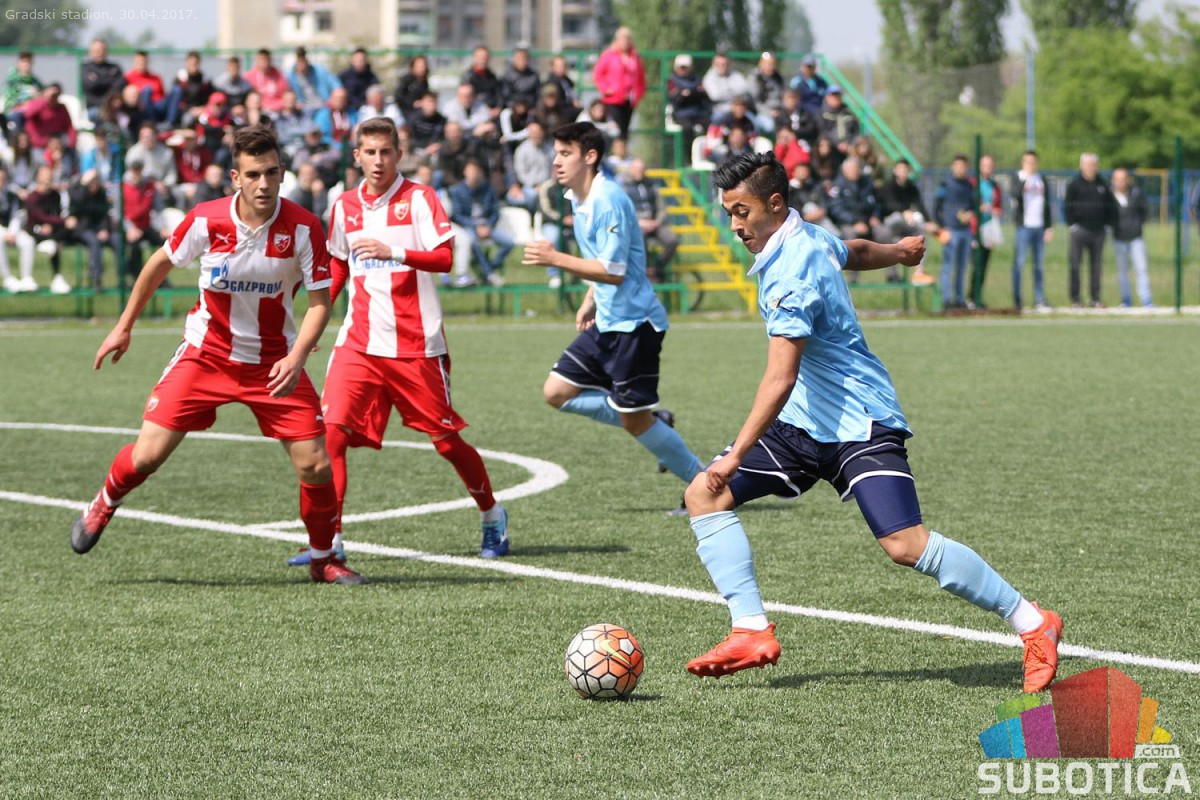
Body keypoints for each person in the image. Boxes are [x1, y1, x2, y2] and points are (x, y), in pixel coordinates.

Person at [684, 151, 1062, 694]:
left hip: (859, 418)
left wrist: (737, 453)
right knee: (705, 495)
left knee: (906, 545)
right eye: (728, 214)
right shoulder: (803, 236)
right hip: (803, 423)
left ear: (775, 203)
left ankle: (1033, 621)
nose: (734, 225)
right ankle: (749, 628)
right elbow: (853, 250)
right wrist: (899, 254)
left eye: (741, 212)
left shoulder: (791, 271)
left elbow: (780, 377)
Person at [69, 125, 365, 586]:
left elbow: (320, 303)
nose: (263, 184)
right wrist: (124, 325)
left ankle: (323, 558)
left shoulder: (304, 227)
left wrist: (297, 356)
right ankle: (105, 502)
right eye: (253, 175)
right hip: (205, 355)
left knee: (315, 464)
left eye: (271, 173)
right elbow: (158, 264)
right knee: (146, 457)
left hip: (273, 363)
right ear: (235, 177)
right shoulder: (206, 220)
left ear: (282, 172)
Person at [296, 117, 509, 565]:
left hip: (416, 345)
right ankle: (330, 540)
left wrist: (392, 251)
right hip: (358, 343)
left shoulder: (420, 199)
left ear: (399, 154)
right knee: (330, 436)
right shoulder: (343, 205)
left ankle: (492, 513)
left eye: (386, 152)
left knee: (446, 442)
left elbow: (445, 258)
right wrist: (317, 319)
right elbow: (338, 265)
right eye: (370, 152)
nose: (378, 160)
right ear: (357, 156)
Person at [522, 122, 704, 494]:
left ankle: (706, 487)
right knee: (556, 392)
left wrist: (555, 258)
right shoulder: (580, 198)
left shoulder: (608, 200)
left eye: (566, 153)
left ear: (590, 157)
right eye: (556, 153)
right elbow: (602, 260)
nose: (556, 162)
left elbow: (614, 271)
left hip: (635, 325)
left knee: (635, 423)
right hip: (608, 321)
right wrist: (590, 299)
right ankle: (650, 417)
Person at [449, 158, 511, 286]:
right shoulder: (456, 191)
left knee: (508, 243)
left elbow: (495, 211)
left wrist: (488, 226)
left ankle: (489, 268)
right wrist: (476, 226)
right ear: (465, 172)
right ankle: (489, 274)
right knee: (471, 241)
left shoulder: (488, 189)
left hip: (487, 225)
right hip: (468, 226)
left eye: (476, 171)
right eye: (471, 171)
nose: (473, 174)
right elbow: (457, 215)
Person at [1064, 152, 1115, 308]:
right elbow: (1067, 205)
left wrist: (1107, 224)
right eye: (1087, 165)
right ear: (1081, 166)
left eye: (1093, 165)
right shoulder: (1074, 184)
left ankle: (1095, 298)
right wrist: (1072, 224)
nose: (1090, 168)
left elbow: (1110, 206)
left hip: (1098, 232)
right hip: (1079, 230)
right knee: (1075, 265)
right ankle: (1076, 299)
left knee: (1096, 267)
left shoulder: (1102, 184)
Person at [622, 158, 678, 281]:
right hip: (636, 224)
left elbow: (661, 207)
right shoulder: (625, 188)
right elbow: (624, 211)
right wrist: (640, 223)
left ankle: (657, 268)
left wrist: (657, 221)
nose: (639, 172)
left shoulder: (652, 186)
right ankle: (646, 270)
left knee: (672, 240)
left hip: (654, 223)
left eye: (642, 169)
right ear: (631, 170)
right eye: (637, 169)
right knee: (639, 237)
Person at [1011, 150, 1053, 312]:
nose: (1030, 165)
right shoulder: (1018, 177)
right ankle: (1017, 300)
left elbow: (1047, 205)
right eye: (1027, 162)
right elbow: (1015, 195)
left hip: (1039, 227)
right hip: (1024, 227)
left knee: (1039, 265)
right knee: (1019, 263)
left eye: (1033, 162)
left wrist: (1048, 226)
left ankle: (1039, 298)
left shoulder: (1042, 179)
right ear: (1023, 163)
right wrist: (1025, 181)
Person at [934, 154, 977, 309]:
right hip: (950, 230)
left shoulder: (969, 185)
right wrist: (941, 227)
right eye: (958, 166)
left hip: (965, 231)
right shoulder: (945, 184)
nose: (960, 169)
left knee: (962, 266)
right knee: (948, 265)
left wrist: (970, 214)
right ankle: (946, 300)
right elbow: (936, 207)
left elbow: (973, 205)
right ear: (953, 167)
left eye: (963, 166)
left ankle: (959, 299)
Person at [1110, 167, 1153, 308]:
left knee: (1141, 269)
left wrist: (1136, 225)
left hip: (1136, 238)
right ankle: (1126, 299)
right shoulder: (1109, 195)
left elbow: (1145, 212)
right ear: (1113, 181)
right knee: (1122, 271)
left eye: (1123, 179)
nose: (1121, 182)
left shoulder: (1136, 193)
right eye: (1118, 179)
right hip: (1119, 238)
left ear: (1127, 180)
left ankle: (1146, 299)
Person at [24, 164, 71, 293]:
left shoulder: (55, 195)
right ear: (38, 177)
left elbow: (56, 214)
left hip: (53, 231)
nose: (49, 179)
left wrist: (56, 224)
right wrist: (62, 221)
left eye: (50, 176)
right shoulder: (32, 198)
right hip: (35, 232)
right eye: (46, 176)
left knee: (66, 232)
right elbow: (40, 216)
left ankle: (57, 277)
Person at [592, 28, 645, 140]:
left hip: (629, 100)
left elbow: (641, 77)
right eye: (623, 39)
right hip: (613, 100)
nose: (625, 42)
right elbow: (598, 74)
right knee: (616, 130)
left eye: (627, 39)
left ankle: (623, 149)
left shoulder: (634, 57)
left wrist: (638, 94)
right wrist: (606, 89)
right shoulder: (609, 55)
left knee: (625, 131)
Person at [66, 169, 113, 290]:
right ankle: (97, 276)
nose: (93, 186)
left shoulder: (101, 194)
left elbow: (104, 214)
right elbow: (77, 201)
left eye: (95, 182)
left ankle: (125, 275)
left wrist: (104, 229)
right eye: (90, 183)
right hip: (82, 230)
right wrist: (83, 184)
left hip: (99, 229)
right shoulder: (79, 192)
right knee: (94, 242)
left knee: (118, 240)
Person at [971, 154, 1002, 309]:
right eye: (984, 165)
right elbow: (969, 203)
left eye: (990, 165)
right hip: (975, 229)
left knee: (983, 265)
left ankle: (978, 297)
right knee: (975, 264)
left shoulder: (994, 185)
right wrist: (978, 208)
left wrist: (994, 210)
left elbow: (999, 206)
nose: (987, 168)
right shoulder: (973, 183)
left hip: (989, 228)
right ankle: (970, 297)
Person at [0, 166, 36, 293]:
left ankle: (26, 277)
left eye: (3, 179)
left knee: (28, 241)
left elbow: (16, 215)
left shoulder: (11, 195)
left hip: (12, 230)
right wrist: (4, 233)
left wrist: (12, 232)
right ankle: (7, 277)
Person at [81, 39, 126, 121]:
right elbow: (91, 85)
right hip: (94, 108)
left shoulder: (115, 67)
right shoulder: (86, 68)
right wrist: (110, 79)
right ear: (91, 52)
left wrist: (98, 80)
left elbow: (119, 85)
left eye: (102, 50)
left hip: (114, 108)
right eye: (97, 51)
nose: (100, 53)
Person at [287, 47, 341, 115]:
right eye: (299, 61)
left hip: (322, 106)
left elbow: (335, 84)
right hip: (304, 108)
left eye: (303, 61)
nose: (301, 64)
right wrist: (297, 102)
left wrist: (335, 96)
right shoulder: (290, 76)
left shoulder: (319, 71)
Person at [666, 54, 710, 137]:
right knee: (687, 128)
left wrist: (691, 93)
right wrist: (683, 94)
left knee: (709, 125)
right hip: (680, 114)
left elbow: (702, 94)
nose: (683, 70)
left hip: (697, 113)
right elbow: (674, 97)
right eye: (681, 67)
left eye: (685, 67)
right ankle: (687, 145)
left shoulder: (697, 80)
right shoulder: (672, 81)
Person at [246, 49, 290, 113]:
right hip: (258, 109)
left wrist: (275, 106)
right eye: (262, 59)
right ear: (257, 60)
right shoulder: (250, 76)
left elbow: (286, 95)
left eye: (266, 59)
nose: (264, 61)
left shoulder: (279, 76)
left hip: (278, 110)